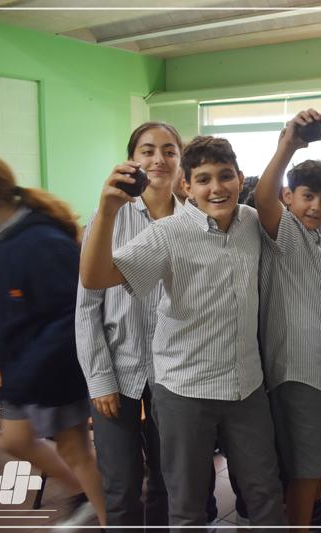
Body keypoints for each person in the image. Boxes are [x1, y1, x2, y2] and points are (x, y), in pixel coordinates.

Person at [78, 136, 285, 528]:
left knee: (265, 492)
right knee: (187, 506)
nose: (216, 187)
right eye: (203, 179)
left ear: (240, 179)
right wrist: (107, 210)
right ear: (186, 186)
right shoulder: (167, 233)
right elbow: (95, 277)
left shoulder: (250, 221)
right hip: (185, 391)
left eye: (225, 176)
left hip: (246, 387)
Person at [0, 149, 105, 527]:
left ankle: (106, 512)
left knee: (74, 449)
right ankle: (87, 496)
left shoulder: (42, 240)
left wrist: (25, 375)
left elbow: (70, 318)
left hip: (56, 369)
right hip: (22, 370)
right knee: (15, 440)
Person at [75, 122, 184, 530]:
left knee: (167, 483)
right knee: (121, 488)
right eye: (148, 150)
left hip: (173, 375)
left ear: (180, 161)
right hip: (117, 372)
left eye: (169, 151)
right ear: (132, 160)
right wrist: (99, 378)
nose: (159, 159)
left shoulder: (192, 221)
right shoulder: (109, 218)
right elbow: (87, 305)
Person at [253, 109, 321, 531]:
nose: (317, 207)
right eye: (308, 196)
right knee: (307, 469)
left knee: (316, 462)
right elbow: (263, 198)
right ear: (289, 197)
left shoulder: (316, 236)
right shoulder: (284, 232)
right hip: (297, 371)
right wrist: (288, 145)